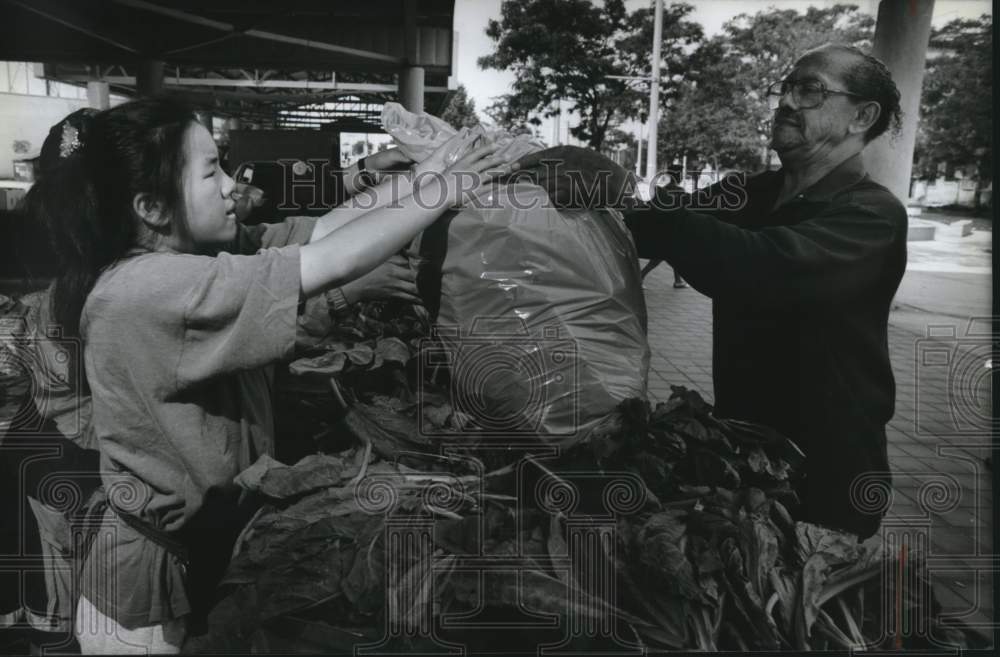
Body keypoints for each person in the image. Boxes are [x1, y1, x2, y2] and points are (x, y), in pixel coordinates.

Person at [31, 98, 516, 653]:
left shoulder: (191, 256)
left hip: (200, 552)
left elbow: (328, 228)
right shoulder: (148, 288)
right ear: (152, 208)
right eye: (212, 170)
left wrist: (438, 166)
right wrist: (446, 188)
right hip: (145, 603)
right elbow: (331, 260)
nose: (232, 184)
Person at [517, 44, 907, 540]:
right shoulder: (753, 192)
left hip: (831, 467)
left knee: (799, 604)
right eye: (784, 88)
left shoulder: (873, 215)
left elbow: (763, 266)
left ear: (862, 116)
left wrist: (627, 202)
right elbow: (652, 218)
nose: (787, 101)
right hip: (743, 453)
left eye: (809, 90)